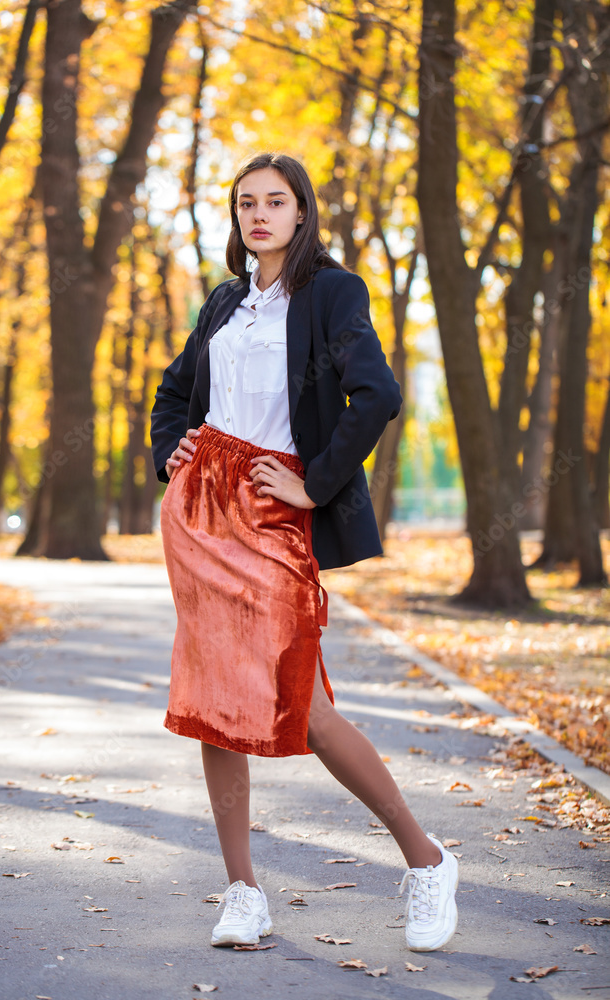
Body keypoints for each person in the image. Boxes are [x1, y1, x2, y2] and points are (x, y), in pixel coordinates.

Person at [150, 152, 459, 954]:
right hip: (199, 519)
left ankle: (425, 862)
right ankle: (242, 890)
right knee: (214, 707)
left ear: (299, 212)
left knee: (304, 707)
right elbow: (173, 392)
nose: (259, 214)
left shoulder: (330, 292)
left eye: (274, 201)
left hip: (273, 514)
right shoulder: (224, 302)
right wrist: (171, 454)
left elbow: (377, 394)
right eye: (246, 202)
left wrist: (314, 485)